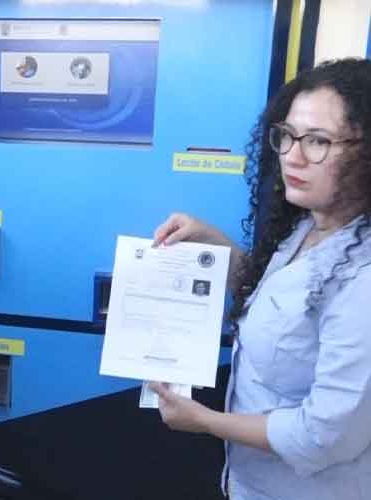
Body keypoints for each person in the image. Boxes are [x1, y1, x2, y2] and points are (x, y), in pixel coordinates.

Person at [150, 58, 371, 499]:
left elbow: (323, 435)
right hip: (249, 483)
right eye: (287, 135)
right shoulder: (312, 225)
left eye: (318, 141)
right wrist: (216, 245)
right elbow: (282, 309)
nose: (293, 155)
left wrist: (205, 422)